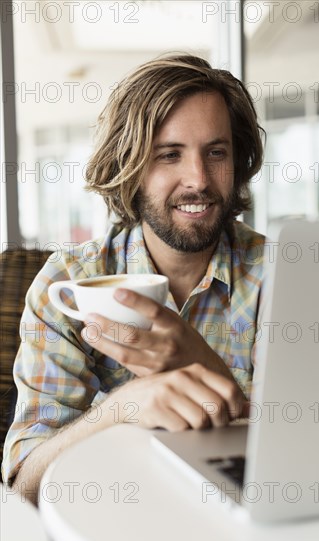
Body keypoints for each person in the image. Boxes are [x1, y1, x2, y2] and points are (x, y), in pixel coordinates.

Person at [1, 54, 265, 505]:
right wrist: (124, 407)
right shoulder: (67, 283)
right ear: (129, 166)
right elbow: (23, 486)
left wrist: (203, 365)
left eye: (216, 152)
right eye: (170, 155)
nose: (198, 179)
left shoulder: (277, 275)